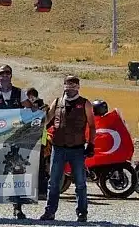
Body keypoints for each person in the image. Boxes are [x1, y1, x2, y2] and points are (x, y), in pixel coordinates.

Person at [40, 75, 95, 223]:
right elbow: (46, 120)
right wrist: (39, 118)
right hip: (58, 148)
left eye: (74, 84)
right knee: (53, 182)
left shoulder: (85, 103)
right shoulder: (57, 102)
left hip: (77, 149)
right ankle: (50, 212)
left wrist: (91, 144)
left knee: (81, 183)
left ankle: (82, 213)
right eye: (68, 84)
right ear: (64, 85)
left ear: (78, 86)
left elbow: (92, 125)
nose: (71, 87)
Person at [0, 65, 32, 219]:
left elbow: (30, 110)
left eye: (7, 73)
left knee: (18, 174)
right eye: (1, 73)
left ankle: (17, 208)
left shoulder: (20, 93)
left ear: (11, 75)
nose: (4, 76)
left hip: (16, 140)